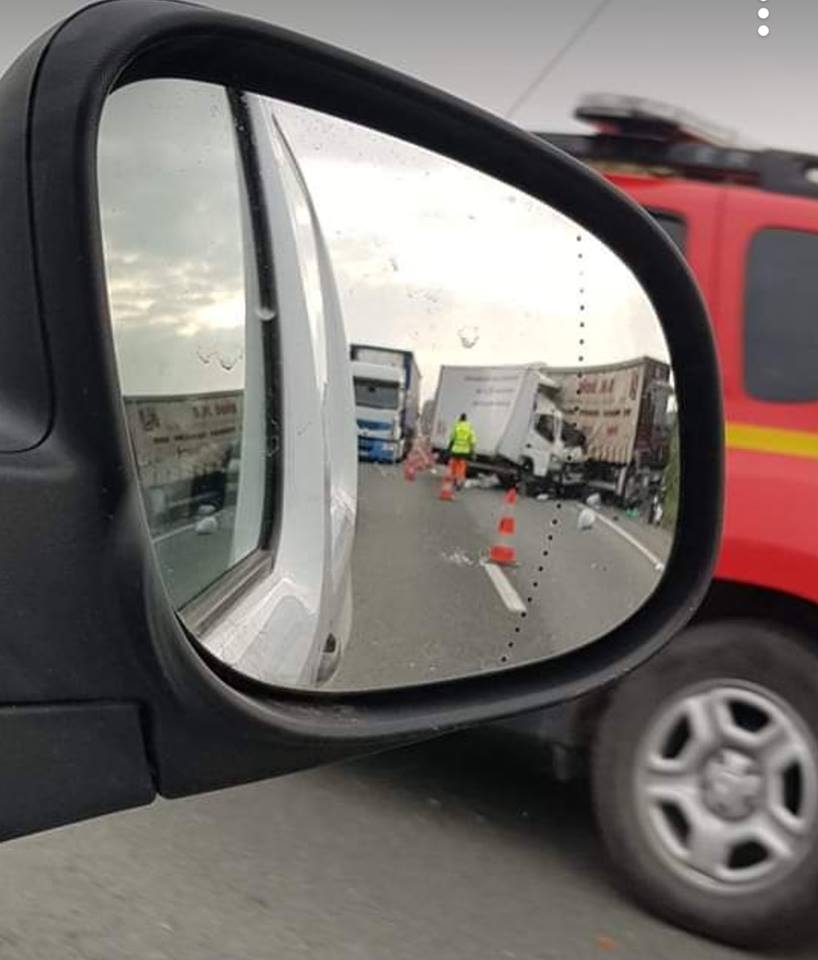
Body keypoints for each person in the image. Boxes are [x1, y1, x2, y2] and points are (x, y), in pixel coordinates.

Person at [448, 413, 477, 490]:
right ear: (466, 419)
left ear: (460, 418)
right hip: (464, 451)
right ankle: (459, 481)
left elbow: (452, 437)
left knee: (454, 465)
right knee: (462, 466)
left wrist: (449, 447)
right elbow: (473, 440)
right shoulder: (469, 427)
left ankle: (454, 479)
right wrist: (472, 450)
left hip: (455, 450)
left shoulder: (456, 425)